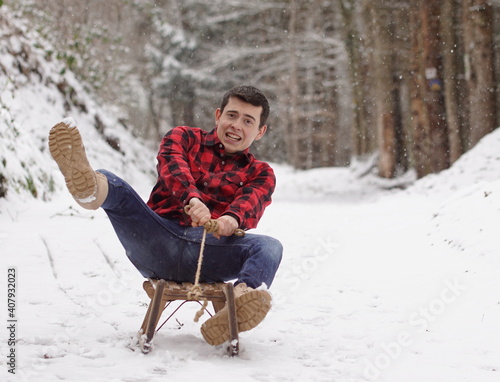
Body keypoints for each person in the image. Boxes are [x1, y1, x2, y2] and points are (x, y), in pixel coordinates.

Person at [48, 85, 283, 347]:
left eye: (248, 121)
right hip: (156, 239)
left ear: (260, 131)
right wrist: (192, 199)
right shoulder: (183, 137)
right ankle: (89, 189)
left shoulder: (261, 172)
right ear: (218, 115)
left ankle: (240, 303)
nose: (236, 125)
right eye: (232, 115)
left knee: (270, 247)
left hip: (208, 253)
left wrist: (230, 220)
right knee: (115, 184)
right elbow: (173, 167)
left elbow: (249, 203)